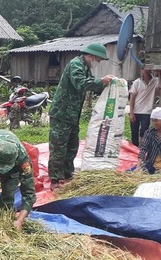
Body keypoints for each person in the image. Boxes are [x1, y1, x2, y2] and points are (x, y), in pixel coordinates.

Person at [48, 42, 114, 190]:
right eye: (97, 59)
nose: (97, 63)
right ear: (91, 55)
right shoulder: (75, 64)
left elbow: (90, 84)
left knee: (72, 146)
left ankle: (67, 174)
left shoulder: (85, 67)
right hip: (62, 113)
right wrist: (101, 81)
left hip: (72, 115)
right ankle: (55, 179)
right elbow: (81, 84)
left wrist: (104, 85)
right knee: (59, 147)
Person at [129, 66, 161, 147]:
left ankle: (142, 148)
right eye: (143, 69)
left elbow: (160, 87)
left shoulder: (154, 81)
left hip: (147, 111)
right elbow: (132, 98)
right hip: (136, 110)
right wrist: (131, 113)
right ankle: (134, 149)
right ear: (141, 70)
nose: (144, 71)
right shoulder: (137, 82)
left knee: (144, 131)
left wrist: (160, 74)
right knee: (134, 132)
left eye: (146, 70)